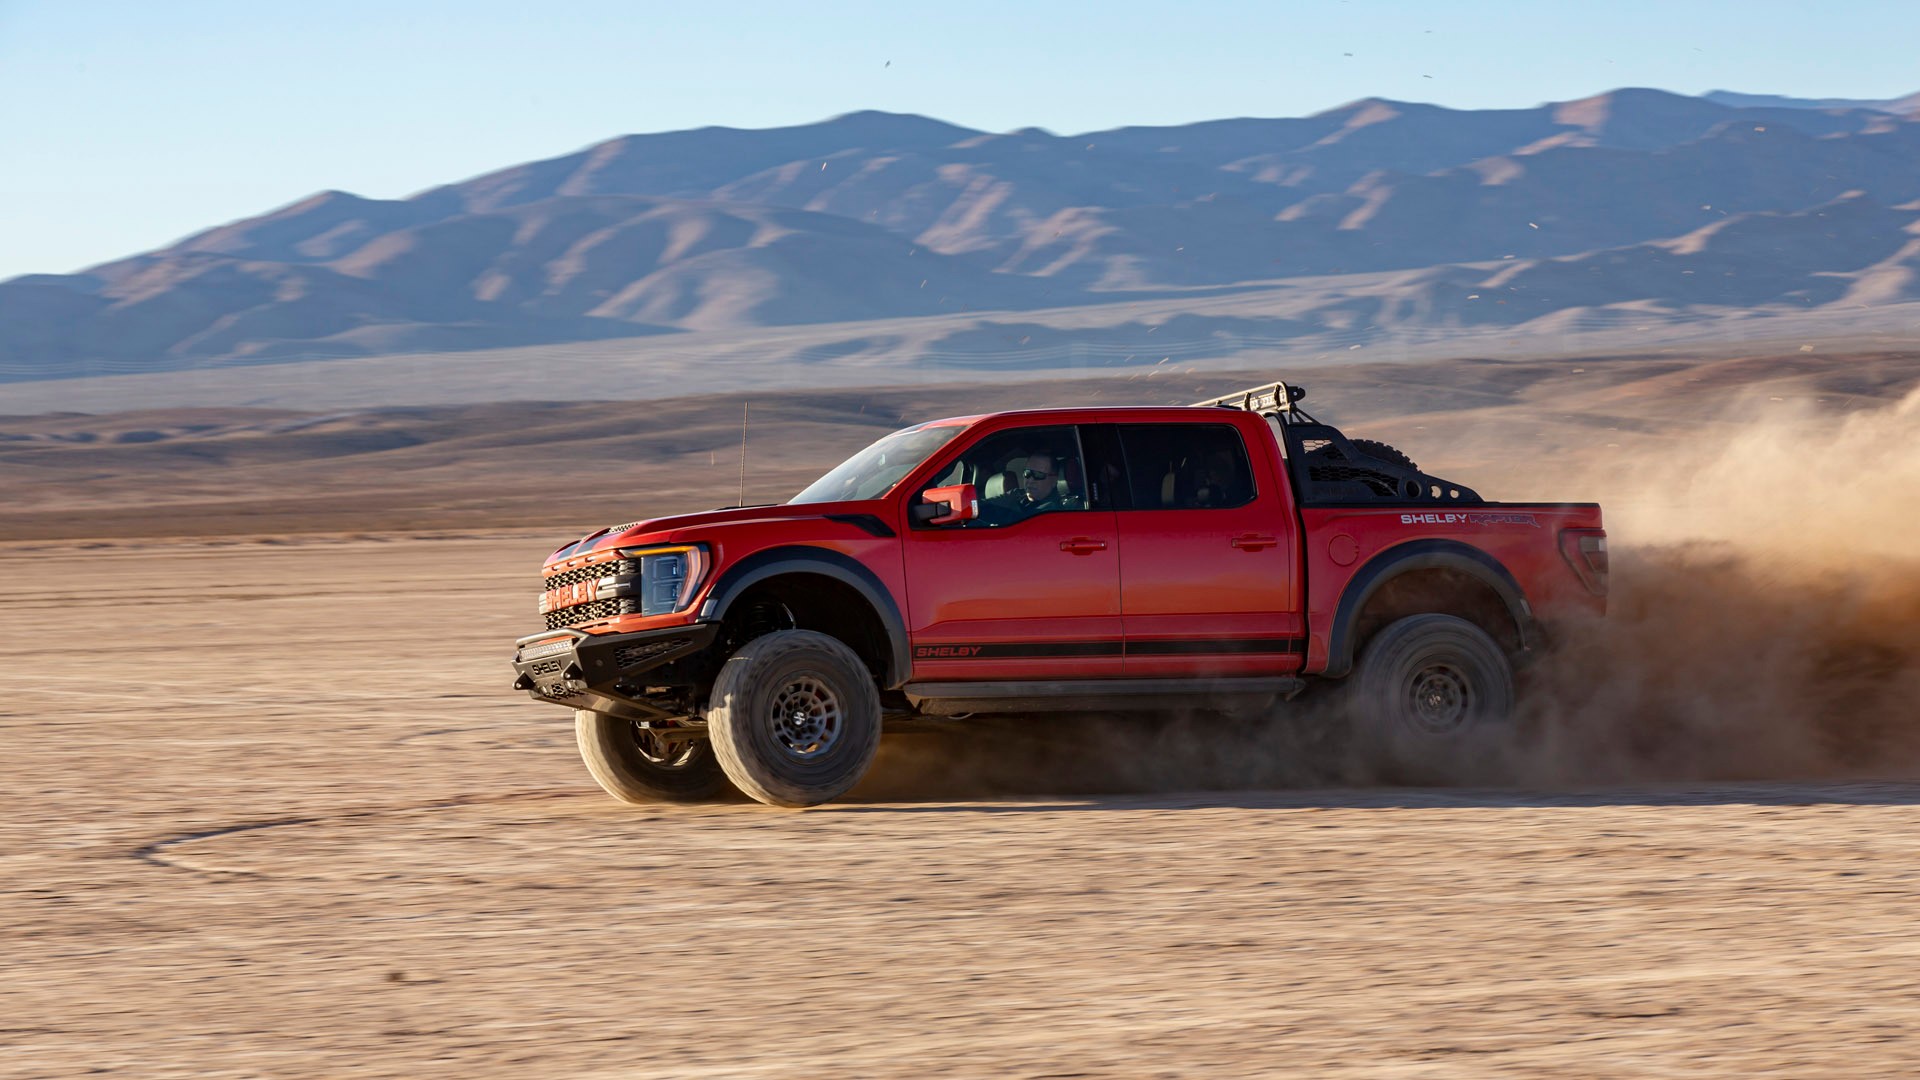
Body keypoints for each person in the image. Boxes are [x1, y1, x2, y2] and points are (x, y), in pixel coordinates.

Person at [985, 450, 1079, 520]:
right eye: (1027, 473)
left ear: (1055, 480)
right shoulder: (1017, 494)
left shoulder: (1054, 511)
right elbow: (984, 507)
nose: (1030, 480)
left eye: (1038, 475)